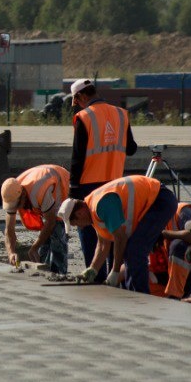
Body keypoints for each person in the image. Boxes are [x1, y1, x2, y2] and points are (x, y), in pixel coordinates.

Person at [58, 174, 178, 294]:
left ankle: (140, 295)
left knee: (135, 250)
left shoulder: (101, 205)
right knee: (131, 251)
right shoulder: (92, 210)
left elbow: (121, 238)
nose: (80, 227)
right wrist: (93, 269)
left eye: (75, 224)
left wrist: (115, 271)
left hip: (160, 200)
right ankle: (133, 293)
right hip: (155, 200)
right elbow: (103, 244)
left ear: (79, 214)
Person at [67, 79, 138, 280]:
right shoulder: (121, 114)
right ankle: (114, 279)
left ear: (81, 97)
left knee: (91, 235)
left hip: (89, 187)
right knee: (114, 233)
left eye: (77, 102)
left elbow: (77, 157)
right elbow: (131, 148)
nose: (78, 106)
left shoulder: (84, 117)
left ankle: (95, 278)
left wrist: (73, 190)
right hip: (116, 185)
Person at [1, 164, 70, 273]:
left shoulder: (39, 191)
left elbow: (51, 221)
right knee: (44, 239)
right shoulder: (11, 191)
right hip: (43, 178)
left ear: (23, 195)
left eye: (17, 205)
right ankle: (44, 266)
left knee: (57, 230)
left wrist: (35, 247)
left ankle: (59, 272)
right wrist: (11, 253)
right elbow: (9, 230)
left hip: (61, 180)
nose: (15, 209)